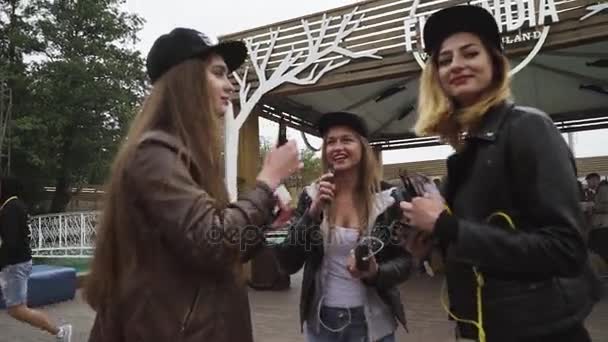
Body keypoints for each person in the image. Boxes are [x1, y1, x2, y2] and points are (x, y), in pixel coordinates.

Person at [84, 28, 301, 342]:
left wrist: (264, 216)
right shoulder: (154, 154)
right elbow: (211, 243)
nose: (230, 86)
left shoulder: (186, 156)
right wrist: (266, 184)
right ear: (185, 81)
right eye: (218, 73)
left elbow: (224, 250)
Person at [400, 5, 600, 342]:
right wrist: (431, 243)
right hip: (483, 328)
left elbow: (565, 249)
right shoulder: (466, 154)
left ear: (495, 62)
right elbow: (485, 242)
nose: (456, 65)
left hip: (543, 332)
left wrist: (447, 225)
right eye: (445, 60)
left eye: (470, 53)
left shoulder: (528, 127)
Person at [275, 111, 412, 342]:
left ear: (362, 147)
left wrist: (376, 273)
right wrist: (313, 213)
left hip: (373, 323)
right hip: (322, 323)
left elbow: (407, 260)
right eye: (331, 142)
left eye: (346, 139)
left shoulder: (387, 198)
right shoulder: (311, 196)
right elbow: (288, 262)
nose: (338, 147)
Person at [0, 176, 72, 342]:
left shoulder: (11, 208)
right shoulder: (15, 206)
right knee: (16, 309)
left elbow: (11, 242)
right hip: (18, 262)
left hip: (14, 265)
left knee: (17, 309)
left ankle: (60, 331)